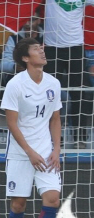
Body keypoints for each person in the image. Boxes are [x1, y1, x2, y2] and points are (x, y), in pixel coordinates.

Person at [0, 38, 62, 218]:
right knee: (18, 205)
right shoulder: (15, 85)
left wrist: (56, 149)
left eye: (42, 48)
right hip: (20, 153)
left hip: (46, 151)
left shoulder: (53, 83)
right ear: (25, 58)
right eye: (37, 49)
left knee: (53, 199)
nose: (42, 51)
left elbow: (56, 118)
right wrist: (29, 152)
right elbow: (12, 124)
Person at [44, 0, 93, 148]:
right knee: (50, 94)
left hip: (76, 48)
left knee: (80, 93)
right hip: (52, 48)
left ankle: (80, 138)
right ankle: (52, 138)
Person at [0, 16, 43, 85]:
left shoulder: (47, 39)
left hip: (42, 81)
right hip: (19, 82)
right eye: (24, 20)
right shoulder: (14, 39)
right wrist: (14, 67)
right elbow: (2, 65)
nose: (27, 24)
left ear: (39, 20)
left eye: (31, 20)